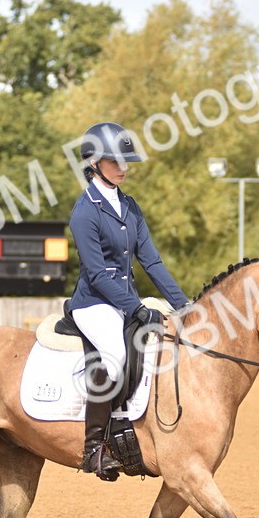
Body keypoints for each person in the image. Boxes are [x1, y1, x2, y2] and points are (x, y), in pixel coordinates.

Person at [67, 122, 190, 480]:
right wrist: (136, 308)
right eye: (115, 161)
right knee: (116, 354)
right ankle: (93, 449)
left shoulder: (129, 205)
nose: (123, 167)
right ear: (93, 162)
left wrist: (184, 305)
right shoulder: (85, 211)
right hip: (94, 302)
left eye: (126, 161)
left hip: (124, 299)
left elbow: (151, 261)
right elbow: (98, 274)